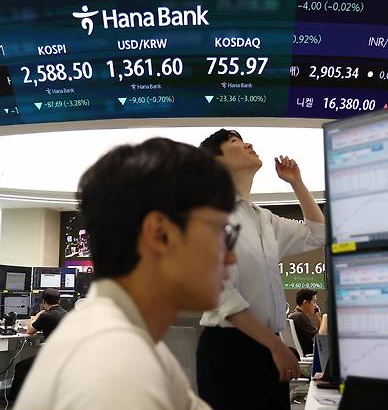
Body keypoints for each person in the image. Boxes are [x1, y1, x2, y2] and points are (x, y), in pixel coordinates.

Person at [14, 138, 237, 409]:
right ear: (159, 233)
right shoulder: (116, 365)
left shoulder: (132, 344)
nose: (230, 255)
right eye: (219, 231)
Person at [197, 129, 326, 410]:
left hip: (266, 346)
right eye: (234, 141)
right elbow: (223, 294)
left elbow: (319, 233)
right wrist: (276, 346)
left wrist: (297, 183)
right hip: (228, 348)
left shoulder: (263, 219)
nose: (248, 143)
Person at [8, 288, 67, 400]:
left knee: (20, 366)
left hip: (52, 357)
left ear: (44, 302)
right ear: (59, 301)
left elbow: (30, 331)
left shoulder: (46, 316)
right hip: (64, 356)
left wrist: (38, 315)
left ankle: (14, 400)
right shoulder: (66, 313)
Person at [288, 289, 321, 356]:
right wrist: (319, 317)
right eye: (314, 302)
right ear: (305, 302)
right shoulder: (300, 317)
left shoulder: (294, 315)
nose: (316, 306)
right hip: (310, 355)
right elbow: (320, 340)